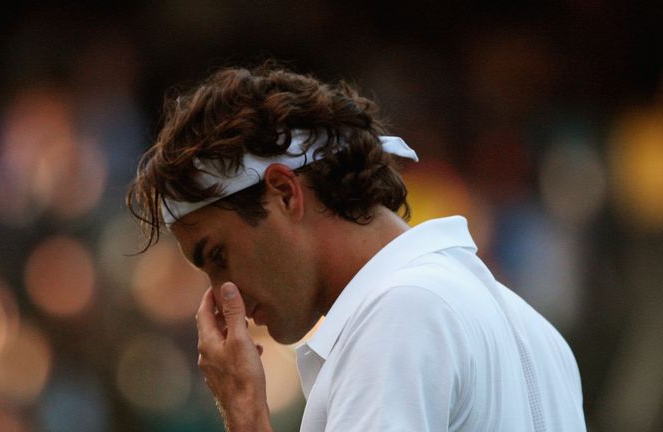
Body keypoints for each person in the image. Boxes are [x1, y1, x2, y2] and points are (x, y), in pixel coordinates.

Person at [127, 62, 586, 431]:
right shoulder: (536, 330)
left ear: (286, 193)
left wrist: (246, 413)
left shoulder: (398, 315)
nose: (226, 296)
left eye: (219, 255)